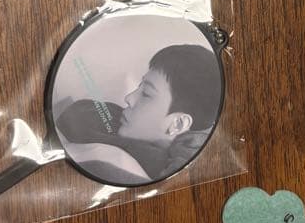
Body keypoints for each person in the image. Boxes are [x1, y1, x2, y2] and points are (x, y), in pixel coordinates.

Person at [56, 43, 223, 185]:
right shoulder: (111, 116)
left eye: (146, 94)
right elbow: (75, 114)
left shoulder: (195, 165)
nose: (128, 98)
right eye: (139, 86)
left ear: (178, 124)